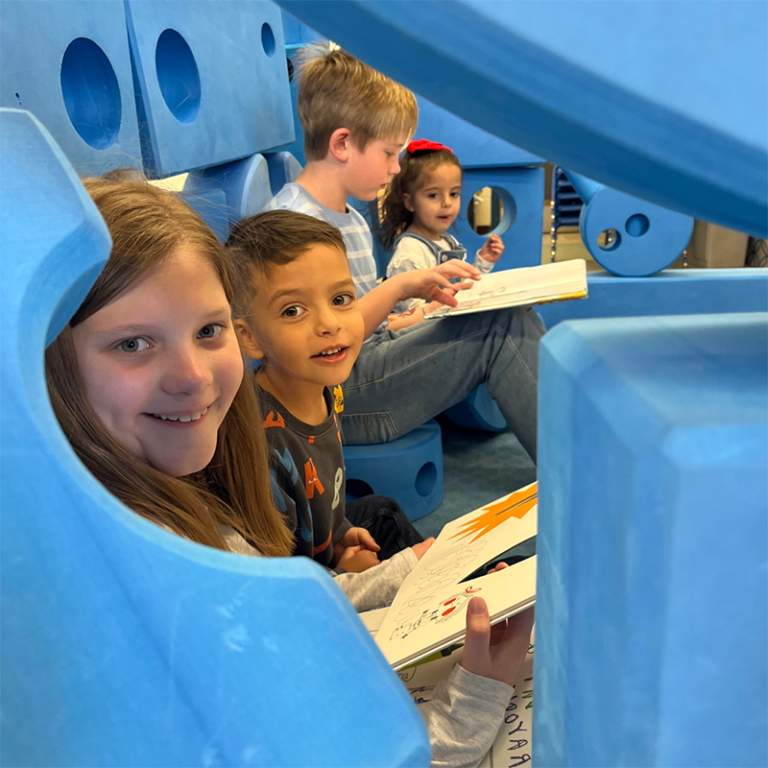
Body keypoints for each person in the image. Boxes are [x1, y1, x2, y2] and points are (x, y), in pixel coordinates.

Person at [46, 175, 534, 768]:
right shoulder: (166, 572)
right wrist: (481, 691)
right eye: (132, 345)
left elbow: (282, 588)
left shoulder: (194, 492)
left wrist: (403, 571)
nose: (193, 377)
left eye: (207, 330)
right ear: (50, 361)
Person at [266, 48, 544, 462]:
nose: (397, 167)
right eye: (389, 153)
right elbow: (322, 340)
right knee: (500, 328)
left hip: (366, 364)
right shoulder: (297, 224)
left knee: (513, 311)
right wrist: (399, 287)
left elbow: (362, 319)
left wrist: (426, 306)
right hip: (339, 397)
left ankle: (576, 447)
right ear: (342, 144)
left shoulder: (348, 217)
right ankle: (583, 480)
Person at [227, 209, 428, 571]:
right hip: (299, 587)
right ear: (250, 338)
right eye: (293, 310)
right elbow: (280, 589)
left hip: (320, 546)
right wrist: (344, 572)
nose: (330, 324)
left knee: (381, 512)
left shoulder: (318, 386)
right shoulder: (264, 445)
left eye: (340, 299)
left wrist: (340, 536)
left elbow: (325, 504)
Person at [380, 138, 504, 314]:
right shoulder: (409, 251)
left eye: (454, 193)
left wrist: (483, 262)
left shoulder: (447, 241)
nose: (447, 203)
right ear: (410, 202)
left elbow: (465, 290)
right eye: (433, 195)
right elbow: (410, 317)